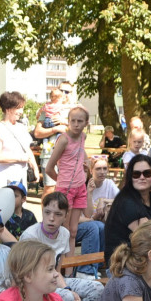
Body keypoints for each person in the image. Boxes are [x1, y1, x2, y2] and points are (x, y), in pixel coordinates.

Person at [21, 192, 103, 301]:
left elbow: (57, 270)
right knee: (66, 297)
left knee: (97, 288)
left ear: (66, 215)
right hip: (33, 286)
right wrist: (66, 291)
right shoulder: (31, 236)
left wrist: (65, 287)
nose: (52, 218)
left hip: (54, 279)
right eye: (47, 212)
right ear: (42, 211)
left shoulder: (64, 233)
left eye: (58, 214)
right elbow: (25, 275)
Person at [104, 154, 151, 263]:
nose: (142, 177)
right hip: (124, 263)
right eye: (136, 174)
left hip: (149, 257)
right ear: (130, 177)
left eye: (147, 173)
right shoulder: (126, 202)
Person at [46, 105, 90, 248]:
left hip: (80, 187)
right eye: (73, 121)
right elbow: (48, 168)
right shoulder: (64, 140)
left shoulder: (83, 136)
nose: (76, 125)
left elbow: (81, 151)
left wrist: (86, 162)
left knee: (73, 231)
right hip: (66, 188)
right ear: (68, 122)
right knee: (63, 231)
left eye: (80, 121)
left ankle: (69, 269)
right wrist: (62, 182)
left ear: (86, 123)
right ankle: (59, 264)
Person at [0, 91, 38, 190]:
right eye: (18, 108)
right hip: (2, 177)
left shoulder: (21, 127)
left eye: (22, 108)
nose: (21, 112)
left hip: (20, 177)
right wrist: (19, 158)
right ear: (8, 109)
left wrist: (35, 168)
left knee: (19, 205)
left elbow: (27, 150)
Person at [34, 88, 70, 196]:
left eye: (68, 92)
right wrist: (55, 129)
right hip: (48, 154)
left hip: (67, 155)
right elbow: (37, 133)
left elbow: (80, 130)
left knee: (67, 189)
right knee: (49, 189)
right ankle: (46, 212)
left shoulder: (72, 110)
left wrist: (64, 122)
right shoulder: (46, 110)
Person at [86, 155, 119, 222]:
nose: (102, 172)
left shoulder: (109, 183)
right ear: (91, 170)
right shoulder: (86, 185)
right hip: (90, 222)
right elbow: (87, 215)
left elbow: (123, 199)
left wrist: (103, 200)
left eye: (105, 168)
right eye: (98, 169)